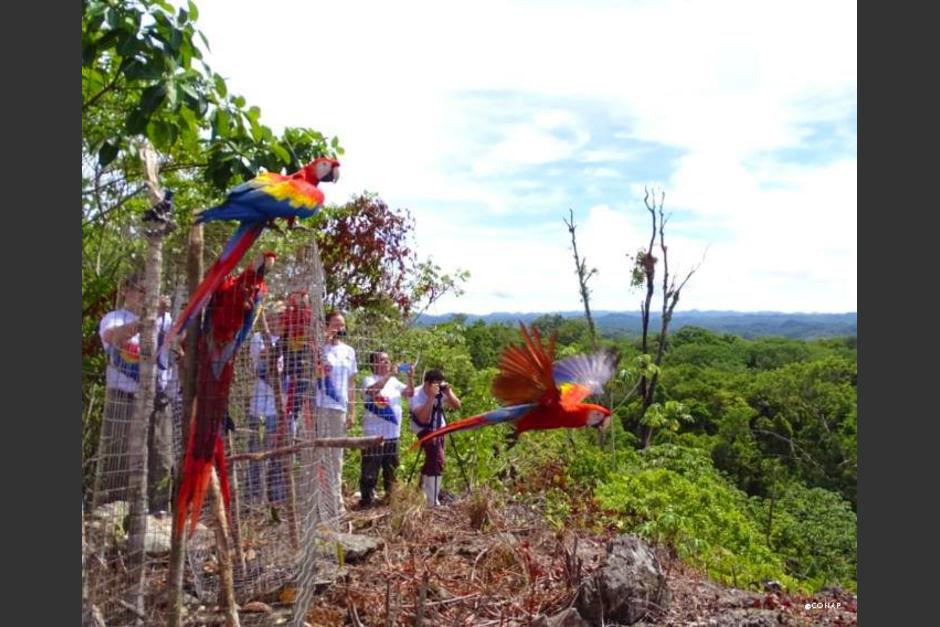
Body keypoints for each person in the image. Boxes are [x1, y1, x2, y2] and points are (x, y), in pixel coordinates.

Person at [95, 271, 174, 514]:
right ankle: (116, 511)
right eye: (142, 290)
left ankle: (159, 510)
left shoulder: (166, 320)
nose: (146, 296)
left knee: (161, 456)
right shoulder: (114, 318)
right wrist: (146, 320)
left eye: (152, 291)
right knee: (120, 454)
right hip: (124, 399)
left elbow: (179, 342)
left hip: (158, 399)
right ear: (127, 292)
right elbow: (113, 338)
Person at [245, 304, 290, 505]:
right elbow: (265, 356)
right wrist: (285, 343)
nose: (277, 321)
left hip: (283, 410)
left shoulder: (290, 342)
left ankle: (277, 499)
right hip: (261, 410)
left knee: (279, 456)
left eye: (281, 317)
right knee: (257, 453)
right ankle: (254, 498)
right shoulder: (258, 338)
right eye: (273, 317)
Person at [315, 311, 358, 517]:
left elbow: (351, 383)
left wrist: (351, 411)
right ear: (326, 325)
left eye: (342, 325)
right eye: (335, 324)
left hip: (339, 408)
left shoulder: (349, 351)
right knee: (318, 454)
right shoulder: (317, 347)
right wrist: (323, 340)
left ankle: (336, 502)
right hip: (318, 405)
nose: (339, 328)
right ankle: (318, 501)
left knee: (336, 456)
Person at [358, 351, 415, 508]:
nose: (386, 362)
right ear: (373, 363)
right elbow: (372, 391)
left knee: (391, 470)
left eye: (388, 360)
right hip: (373, 434)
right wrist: (389, 374)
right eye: (382, 360)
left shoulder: (394, 381)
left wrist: (410, 376)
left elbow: (410, 393)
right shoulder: (368, 380)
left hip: (392, 434)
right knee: (370, 470)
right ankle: (367, 502)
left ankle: (390, 500)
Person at [409, 368, 461, 506]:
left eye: (440, 384)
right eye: (434, 385)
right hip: (423, 428)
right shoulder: (416, 394)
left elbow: (457, 406)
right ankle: (432, 500)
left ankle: (424, 490)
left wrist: (448, 393)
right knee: (437, 458)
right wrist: (431, 397)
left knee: (435, 459)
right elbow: (423, 418)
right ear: (427, 384)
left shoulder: (441, 391)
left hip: (439, 428)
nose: (437, 387)